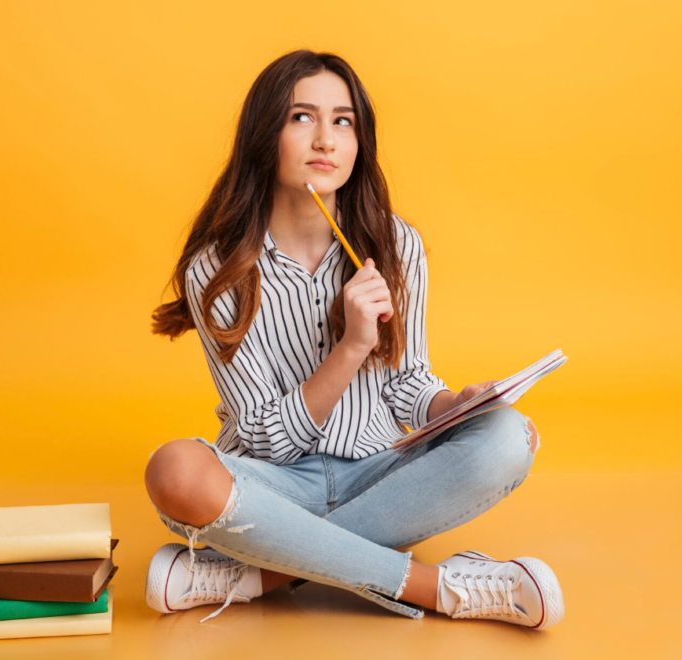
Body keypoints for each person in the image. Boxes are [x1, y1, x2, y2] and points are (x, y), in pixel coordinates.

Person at [145, 49, 564, 629]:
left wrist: (455, 407)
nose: (326, 140)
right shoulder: (217, 271)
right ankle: (436, 587)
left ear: (359, 141)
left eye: (343, 121)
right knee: (175, 471)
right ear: (265, 134)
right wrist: (349, 349)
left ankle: (262, 572)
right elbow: (267, 441)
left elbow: (408, 386)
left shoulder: (396, 246)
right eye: (302, 118)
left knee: (508, 437)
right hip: (273, 486)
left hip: (380, 473)